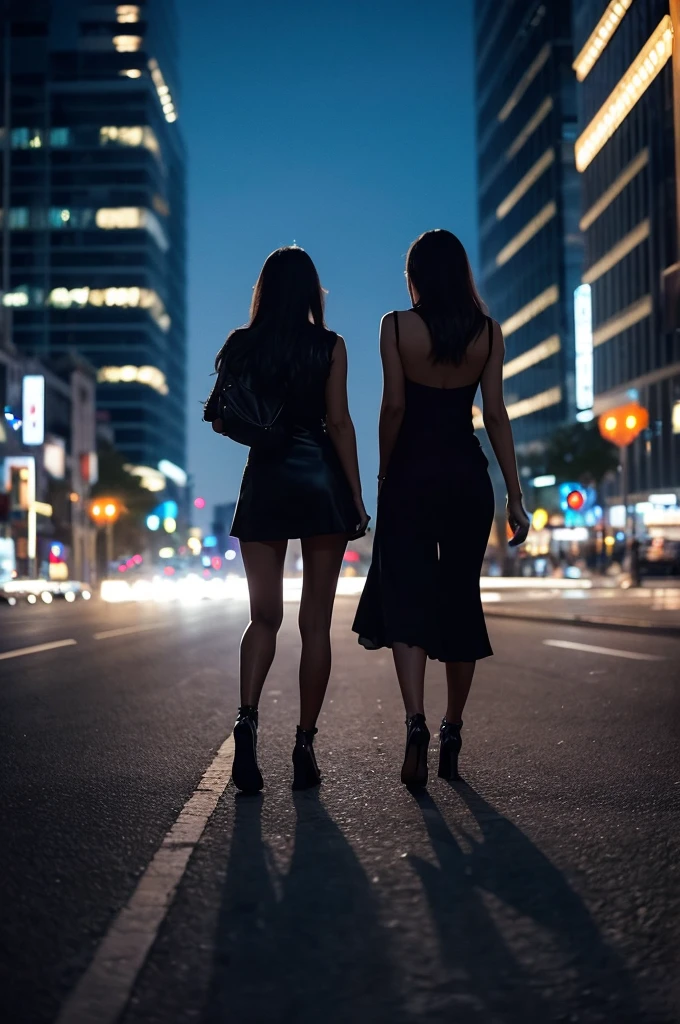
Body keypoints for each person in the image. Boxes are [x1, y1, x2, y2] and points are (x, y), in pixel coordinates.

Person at [353, 229, 529, 787]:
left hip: (410, 477)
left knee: (406, 599)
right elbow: (495, 415)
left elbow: (394, 406)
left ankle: (415, 723)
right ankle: (454, 728)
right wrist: (516, 495)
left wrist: (383, 473)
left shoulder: (396, 326)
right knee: (459, 599)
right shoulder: (488, 333)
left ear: (416, 277)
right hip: (466, 479)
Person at [204, 246, 369, 794]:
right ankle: (303, 746)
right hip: (320, 480)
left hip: (267, 481)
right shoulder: (330, 346)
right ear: (311, 294)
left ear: (264, 291)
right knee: (315, 624)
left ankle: (246, 720)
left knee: (264, 618)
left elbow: (224, 415)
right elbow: (340, 424)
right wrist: (357, 497)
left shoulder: (241, 345)